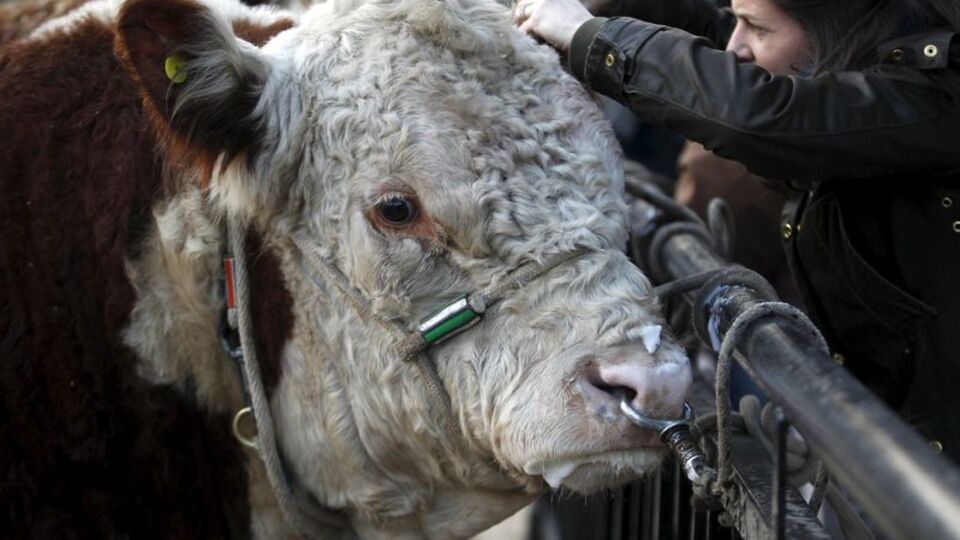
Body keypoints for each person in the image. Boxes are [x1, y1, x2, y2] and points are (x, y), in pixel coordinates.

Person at [514, 0, 960, 460]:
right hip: (888, 443)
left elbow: (762, 115)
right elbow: (729, 30)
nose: (734, 45)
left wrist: (594, 37)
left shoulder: (938, 91)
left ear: (836, 34)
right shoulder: (871, 54)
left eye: (755, 28)